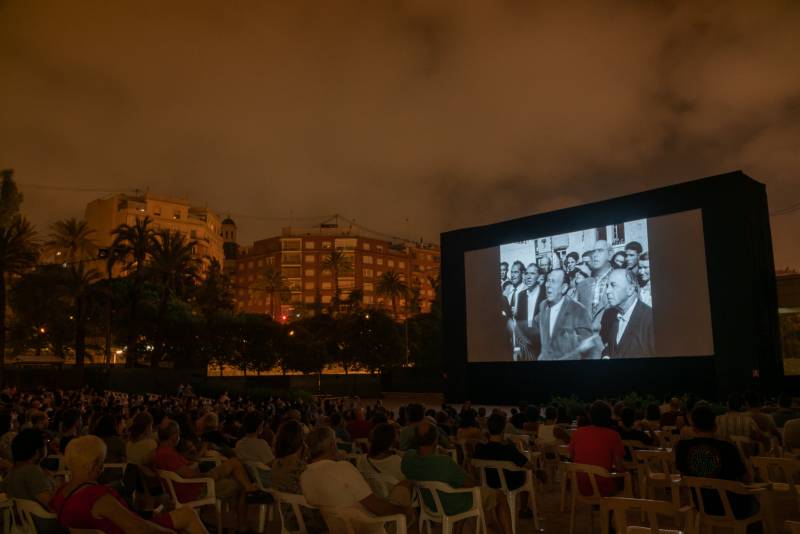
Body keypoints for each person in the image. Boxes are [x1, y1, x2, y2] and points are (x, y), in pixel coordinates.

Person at [51, 435, 208, 534]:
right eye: (101, 461)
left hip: (123, 524)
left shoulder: (61, 493)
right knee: (188, 514)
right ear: (95, 465)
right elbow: (137, 528)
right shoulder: (96, 496)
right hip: (128, 529)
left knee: (186, 513)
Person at [152, 421, 269, 532]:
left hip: (189, 487)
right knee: (236, 471)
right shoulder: (168, 454)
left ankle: (244, 508)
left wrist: (194, 464)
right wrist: (209, 474)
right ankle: (243, 519)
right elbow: (190, 475)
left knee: (236, 472)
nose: (179, 435)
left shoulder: (161, 452)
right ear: (173, 436)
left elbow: (182, 471)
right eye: (178, 433)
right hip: (196, 489)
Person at [402, 420, 513, 534]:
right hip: (454, 504)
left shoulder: (408, 458)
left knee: (458, 490)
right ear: (436, 440)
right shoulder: (444, 462)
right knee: (500, 496)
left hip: (429, 504)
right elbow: (472, 483)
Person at [302, 427, 412, 534]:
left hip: (339, 529)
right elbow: (377, 507)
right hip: (369, 527)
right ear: (332, 446)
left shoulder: (305, 477)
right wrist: (404, 511)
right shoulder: (342, 468)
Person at [675, 404, 757, 520]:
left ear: (693, 427)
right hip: (733, 507)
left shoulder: (682, 447)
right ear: (715, 427)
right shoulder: (728, 448)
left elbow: (683, 476)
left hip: (700, 504)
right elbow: (746, 479)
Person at [473, 413, 534, 518]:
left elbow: (473, 464)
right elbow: (528, 465)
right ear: (503, 430)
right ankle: (523, 509)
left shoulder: (481, 449)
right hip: (510, 482)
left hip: (489, 482)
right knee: (526, 475)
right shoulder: (509, 449)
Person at [535, 269, 598, 360]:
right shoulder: (543, 306)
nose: (547, 285)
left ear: (564, 288)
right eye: (548, 281)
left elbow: (588, 347)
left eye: (553, 282)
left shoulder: (578, 310)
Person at [568, 401, 625, 497]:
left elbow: (572, 457)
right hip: (603, 487)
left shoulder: (578, 432)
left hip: (579, 485)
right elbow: (619, 467)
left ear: (590, 416)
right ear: (608, 416)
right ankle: (612, 507)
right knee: (624, 478)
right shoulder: (613, 435)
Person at [599, 269, 655, 358]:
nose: (607, 291)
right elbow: (611, 348)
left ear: (630, 289)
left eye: (613, 285)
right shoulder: (610, 315)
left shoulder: (650, 319)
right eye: (607, 286)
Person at [355, 423, 406, 499]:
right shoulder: (397, 462)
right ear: (391, 441)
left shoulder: (360, 460)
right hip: (392, 503)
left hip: (370, 500)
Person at [576, 240, 614, 332]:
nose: (595, 255)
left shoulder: (622, 280)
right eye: (593, 252)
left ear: (610, 255)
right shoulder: (582, 285)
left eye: (600, 251)